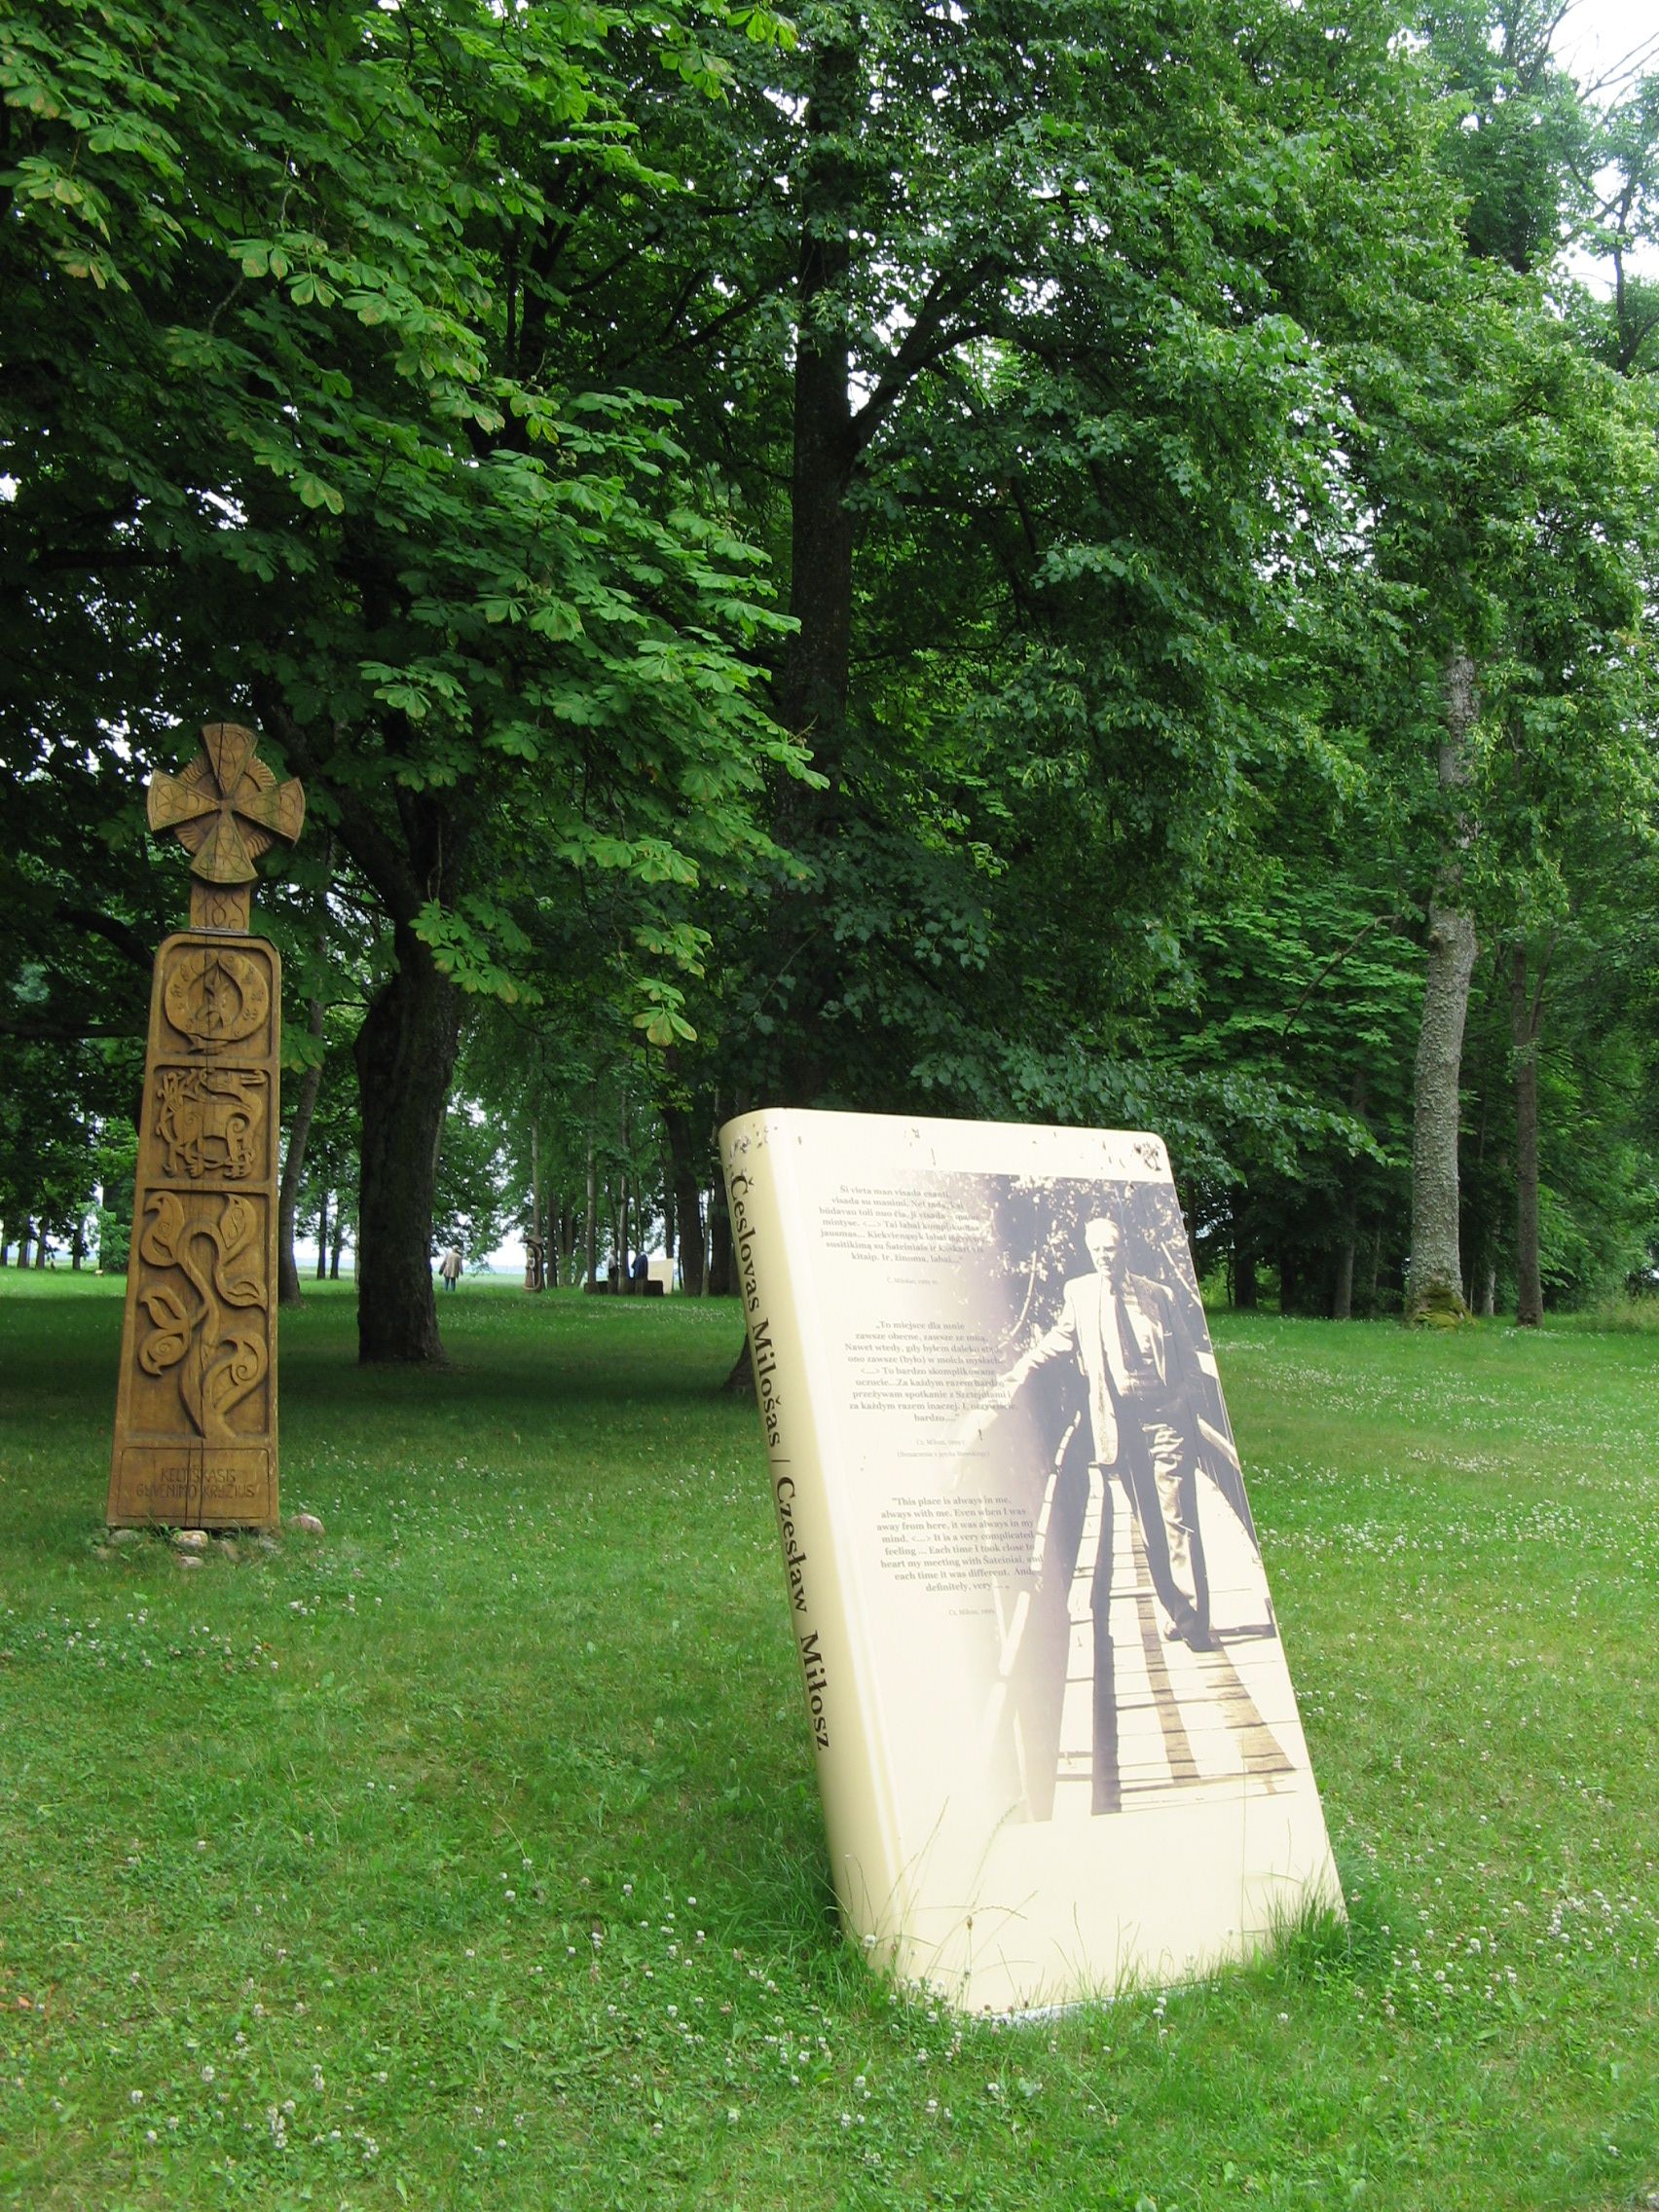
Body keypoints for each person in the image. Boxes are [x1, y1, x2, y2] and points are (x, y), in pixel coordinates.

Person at [1000, 1211, 1210, 1650]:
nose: (1103, 1257)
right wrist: (1018, 1371)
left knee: (1177, 1518)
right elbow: (1059, 1340)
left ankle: (1194, 1624)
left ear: (1123, 1249)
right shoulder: (1078, 1293)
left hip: (1164, 1417)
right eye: (1096, 1251)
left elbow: (1191, 1363)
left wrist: (1179, 1402)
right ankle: (1175, 1608)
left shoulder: (1159, 1295)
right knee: (1149, 1523)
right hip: (1121, 1423)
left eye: (1110, 1249)